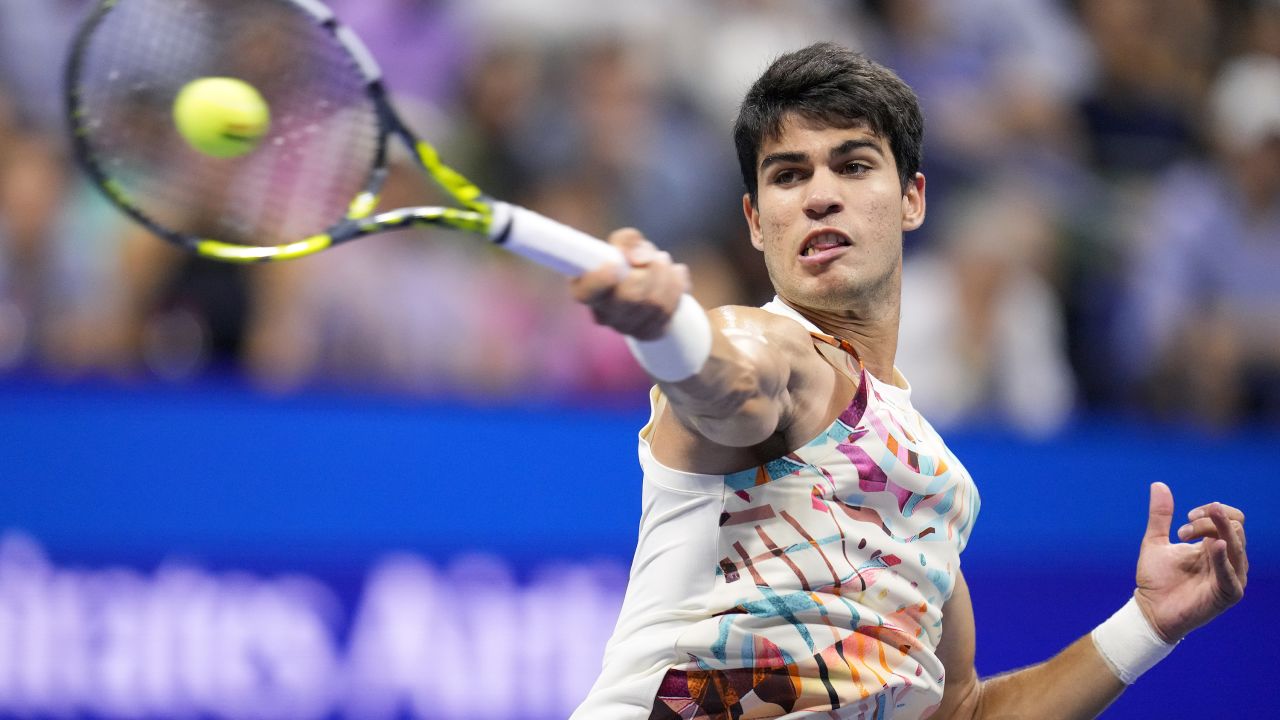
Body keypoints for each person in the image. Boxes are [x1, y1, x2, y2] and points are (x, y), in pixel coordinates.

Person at [567, 43, 1248, 720]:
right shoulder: (771, 349)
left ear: (912, 200)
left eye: (854, 166)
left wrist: (1148, 624)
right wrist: (664, 330)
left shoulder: (939, 480)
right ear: (755, 222)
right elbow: (732, 383)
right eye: (788, 175)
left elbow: (961, 711)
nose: (820, 197)